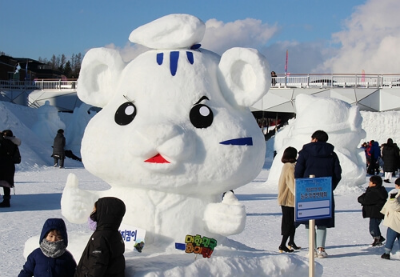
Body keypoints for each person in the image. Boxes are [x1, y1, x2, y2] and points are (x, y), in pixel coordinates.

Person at [295, 130, 342, 258]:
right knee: (322, 219)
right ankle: (321, 249)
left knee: (308, 220)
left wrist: (301, 186)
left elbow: (298, 171)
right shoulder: (332, 154)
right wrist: (329, 187)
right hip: (324, 189)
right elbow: (337, 173)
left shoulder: (305, 153)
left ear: (314, 139)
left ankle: (312, 249)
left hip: (307, 189)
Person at [75, 197, 126, 277]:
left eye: (95, 211)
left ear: (103, 215)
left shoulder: (100, 238)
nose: (92, 214)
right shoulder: (114, 233)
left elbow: (96, 268)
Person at [277, 146, 300, 253]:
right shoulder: (290, 167)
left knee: (291, 221)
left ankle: (291, 242)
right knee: (289, 221)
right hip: (289, 199)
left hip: (287, 198)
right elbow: (292, 183)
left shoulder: (286, 166)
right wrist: (299, 194)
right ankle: (282, 244)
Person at [357, 175, 388, 246]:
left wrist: (363, 198)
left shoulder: (375, 192)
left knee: (373, 227)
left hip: (376, 212)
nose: (369, 183)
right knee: (374, 226)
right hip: (376, 212)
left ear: (374, 183)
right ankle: (378, 238)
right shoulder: (376, 190)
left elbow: (364, 199)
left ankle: (377, 239)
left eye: (370, 182)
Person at [380, 178, 400, 260]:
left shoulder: (397, 194)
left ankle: (387, 253)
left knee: (390, 237)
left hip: (395, 220)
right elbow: (387, 205)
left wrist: (392, 200)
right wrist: (384, 211)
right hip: (395, 219)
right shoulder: (396, 193)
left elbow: (396, 207)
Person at [0, 129, 21, 208]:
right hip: (10, 165)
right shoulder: (14, 143)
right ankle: (6, 200)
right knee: (7, 184)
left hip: (1, 164)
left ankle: (5, 201)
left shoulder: (3, 142)